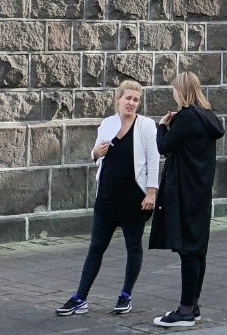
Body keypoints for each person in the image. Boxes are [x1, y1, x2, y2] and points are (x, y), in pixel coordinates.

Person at [55, 79, 160, 317]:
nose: (131, 103)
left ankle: (125, 295)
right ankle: (80, 297)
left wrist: (152, 192)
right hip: (107, 197)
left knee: (133, 247)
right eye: (128, 98)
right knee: (96, 248)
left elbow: (154, 160)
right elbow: (94, 153)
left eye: (136, 99)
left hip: (135, 199)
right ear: (118, 99)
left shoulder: (146, 126)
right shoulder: (107, 124)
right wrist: (95, 152)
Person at [149, 69, 226, 329]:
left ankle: (184, 311)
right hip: (200, 192)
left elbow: (164, 146)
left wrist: (162, 126)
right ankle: (192, 307)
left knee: (188, 252)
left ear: (181, 91)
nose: (172, 93)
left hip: (184, 192)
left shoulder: (187, 117)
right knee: (197, 250)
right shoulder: (207, 116)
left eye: (174, 89)